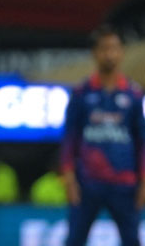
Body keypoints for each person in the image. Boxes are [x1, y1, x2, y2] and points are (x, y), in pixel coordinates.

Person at [61, 26, 145, 246]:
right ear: (95, 53)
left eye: (115, 48)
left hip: (125, 182)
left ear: (121, 53)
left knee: (132, 240)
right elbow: (70, 139)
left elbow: (141, 142)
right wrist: (69, 179)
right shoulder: (81, 93)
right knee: (74, 240)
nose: (110, 54)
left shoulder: (134, 95)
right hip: (87, 182)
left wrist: (144, 183)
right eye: (104, 48)